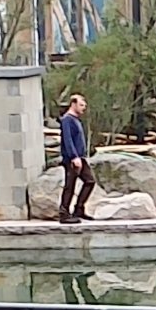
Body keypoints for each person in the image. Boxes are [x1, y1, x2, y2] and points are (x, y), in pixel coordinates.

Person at [58, 93, 95, 225]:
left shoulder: (76, 120)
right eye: (81, 105)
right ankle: (64, 213)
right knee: (70, 185)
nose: (83, 108)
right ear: (73, 104)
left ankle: (79, 208)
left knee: (90, 181)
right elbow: (67, 140)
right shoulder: (67, 120)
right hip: (73, 159)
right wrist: (74, 157)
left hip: (81, 157)